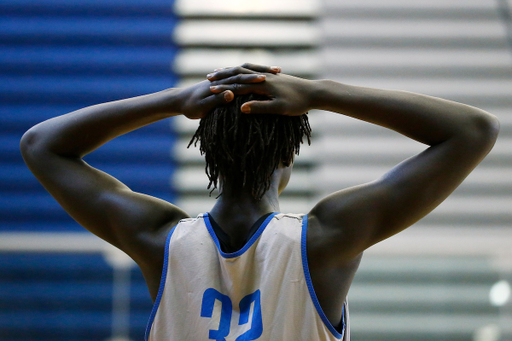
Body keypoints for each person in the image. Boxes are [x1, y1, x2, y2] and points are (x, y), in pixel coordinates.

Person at [20, 63, 499, 341]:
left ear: (205, 151)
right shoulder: (328, 237)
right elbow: (474, 130)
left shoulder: (156, 237)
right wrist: (317, 92)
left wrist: (176, 100)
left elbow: (41, 144)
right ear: (288, 157)